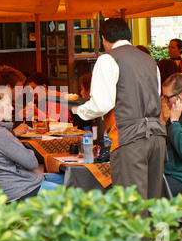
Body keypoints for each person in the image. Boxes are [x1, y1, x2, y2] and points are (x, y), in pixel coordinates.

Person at [70, 18, 167, 202]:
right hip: (157, 137)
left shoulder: (108, 58)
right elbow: (157, 95)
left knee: (132, 205)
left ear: (104, 39)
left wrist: (77, 111)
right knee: (153, 203)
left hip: (130, 138)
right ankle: (157, 232)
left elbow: (102, 104)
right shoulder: (149, 60)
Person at [0, 87, 64, 201]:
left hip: (8, 185)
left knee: (68, 178)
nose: (12, 108)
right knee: (71, 194)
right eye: (8, 105)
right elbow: (32, 162)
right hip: (19, 190)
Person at [0, 65, 29, 136]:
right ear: (8, 87)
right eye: (19, 89)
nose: (21, 93)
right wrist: (14, 132)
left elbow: (5, 125)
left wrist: (19, 116)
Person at [70, 73, 105, 145]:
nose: (80, 93)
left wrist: (71, 107)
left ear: (89, 92)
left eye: (82, 89)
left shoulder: (98, 110)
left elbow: (84, 122)